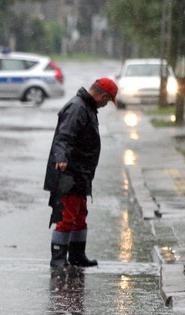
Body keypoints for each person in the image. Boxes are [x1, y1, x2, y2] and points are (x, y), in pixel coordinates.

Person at [44, 77, 118, 268]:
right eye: (107, 100)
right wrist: (61, 158)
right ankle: (58, 259)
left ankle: (77, 255)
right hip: (70, 173)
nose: (105, 104)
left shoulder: (87, 107)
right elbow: (64, 135)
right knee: (67, 216)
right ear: (102, 95)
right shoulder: (78, 107)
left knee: (79, 214)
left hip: (80, 173)